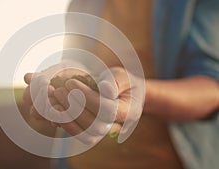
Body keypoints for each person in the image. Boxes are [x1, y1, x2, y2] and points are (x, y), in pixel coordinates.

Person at [23, 0, 219, 169]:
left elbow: (212, 85)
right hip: (79, 162)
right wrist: (62, 76)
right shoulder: (82, 3)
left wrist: (142, 95)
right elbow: (76, 60)